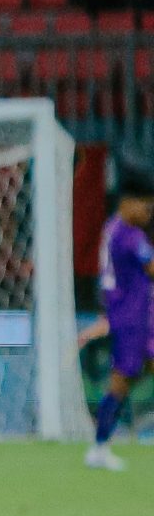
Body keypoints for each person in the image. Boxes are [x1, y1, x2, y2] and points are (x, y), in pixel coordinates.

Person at [92, 157, 152, 472]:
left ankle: (101, 446)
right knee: (119, 382)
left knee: (131, 376)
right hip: (132, 319)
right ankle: (100, 447)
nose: (147, 214)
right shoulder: (130, 235)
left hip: (133, 316)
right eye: (145, 208)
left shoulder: (112, 229)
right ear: (128, 203)